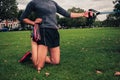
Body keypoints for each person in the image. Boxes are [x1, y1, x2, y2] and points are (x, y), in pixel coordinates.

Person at [20, 0, 93, 72]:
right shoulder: (34, 2)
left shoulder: (53, 3)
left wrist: (83, 14)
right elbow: (23, 18)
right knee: (39, 66)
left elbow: (67, 14)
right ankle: (34, 42)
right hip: (44, 30)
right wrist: (33, 23)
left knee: (55, 61)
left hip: (54, 31)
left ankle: (31, 56)